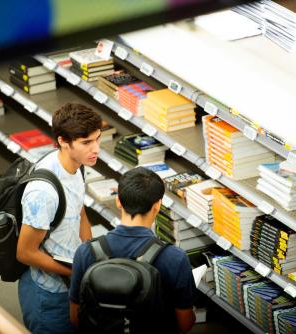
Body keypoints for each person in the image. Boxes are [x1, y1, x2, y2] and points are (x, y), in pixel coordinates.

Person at [69, 167, 196, 333]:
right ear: (157, 205)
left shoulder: (86, 252)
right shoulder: (175, 258)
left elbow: (76, 318)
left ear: (118, 201)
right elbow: (184, 324)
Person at [16, 102, 102, 334]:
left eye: (97, 139)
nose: (96, 149)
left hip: (73, 283)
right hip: (49, 296)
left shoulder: (77, 164)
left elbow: (79, 209)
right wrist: (76, 272)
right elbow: (25, 253)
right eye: (86, 143)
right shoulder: (42, 193)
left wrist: (87, 253)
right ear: (63, 141)